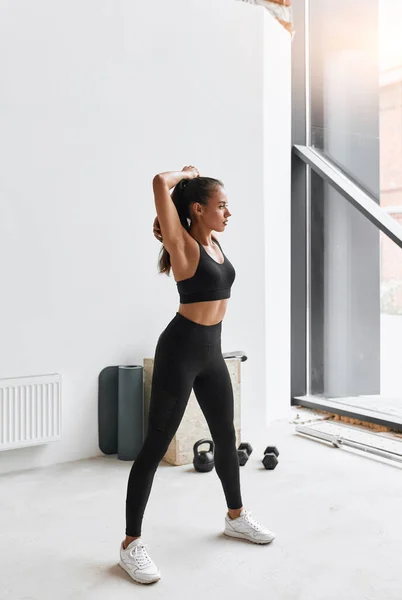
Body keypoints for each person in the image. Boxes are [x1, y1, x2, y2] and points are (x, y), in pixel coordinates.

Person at [118, 166, 275, 585]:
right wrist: (185, 173)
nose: (227, 212)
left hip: (212, 352)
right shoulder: (183, 244)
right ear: (198, 209)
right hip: (180, 352)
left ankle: (235, 517)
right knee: (154, 446)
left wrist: (193, 185)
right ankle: (130, 545)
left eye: (226, 205)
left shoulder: (213, 241)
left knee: (225, 434)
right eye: (221, 206)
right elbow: (157, 183)